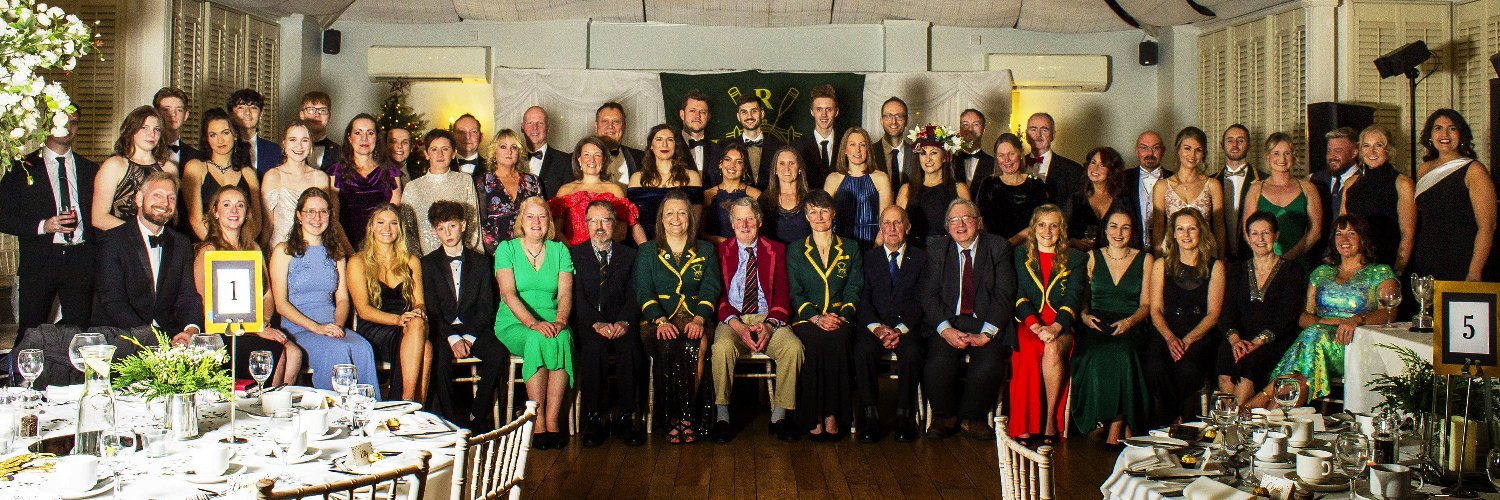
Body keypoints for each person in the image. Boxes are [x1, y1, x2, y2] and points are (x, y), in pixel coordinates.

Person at [1261, 215, 1398, 405]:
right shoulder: (1321, 273)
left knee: (1313, 339)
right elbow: (1303, 316)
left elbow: (1389, 312)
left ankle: (1260, 402)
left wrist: (1356, 320)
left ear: (1363, 238)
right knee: (1310, 348)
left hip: (1354, 343)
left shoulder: (1380, 273)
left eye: (1351, 234)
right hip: (1318, 344)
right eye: (1339, 234)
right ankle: (1274, 413)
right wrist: (1323, 323)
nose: (1344, 239)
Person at [708, 197, 802, 443]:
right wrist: (738, 326)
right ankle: (722, 415)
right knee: (721, 349)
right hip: (733, 319)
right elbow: (716, 295)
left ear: (759, 221)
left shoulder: (777, 250)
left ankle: (780, 416)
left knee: (793, 348)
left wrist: (770, 325)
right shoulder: (719, 252)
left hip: (768, 317)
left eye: (750, 218)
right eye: (739, 219)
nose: (745, 224)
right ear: (732, 223)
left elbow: (783, 294)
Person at [921, 199, 1017, 440]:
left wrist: (986, 333)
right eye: (954, 220)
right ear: (947, 226)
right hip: (948, 321)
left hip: (985, 322)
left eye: (966, 219)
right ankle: (945, 416)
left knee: (989, 365)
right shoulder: (936, 249)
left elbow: (1004, 293)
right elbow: (928, 295)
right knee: (937, 364)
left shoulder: (998, 247)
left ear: (979, 223)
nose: (960, 225)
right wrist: (945, 329)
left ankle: (971, 418)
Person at [190, 185, 303, 386]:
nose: (234, 211)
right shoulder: (208, 251)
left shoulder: (253, 248)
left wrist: (264, 320)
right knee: (275, 352)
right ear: (215, 212)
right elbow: (206, 304)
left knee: (294, 353)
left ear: (247, 213)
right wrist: (255, 328)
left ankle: (277, 412)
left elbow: (267, 296)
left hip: (253, 327)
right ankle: (265, 410)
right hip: (222, 334)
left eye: (240, 205)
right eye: (227, 205)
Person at [633, 190, 722, 444]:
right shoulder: (648, 251)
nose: (676, 218)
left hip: (695, 317)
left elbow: (711, 288)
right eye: (670, 213)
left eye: (682, 213)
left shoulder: (705, 249)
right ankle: (673, 417)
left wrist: (700, 319)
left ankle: (688, 417)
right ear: (661, 219)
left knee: (697, 345)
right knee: (669, 345)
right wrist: (659, 320)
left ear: (690, 218)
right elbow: (643, 290)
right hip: (658, 321)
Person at [270, 187, 379, 390]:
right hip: (298, 329)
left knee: (363, 349)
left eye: (323, 212)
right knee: (336, 352)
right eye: (310, 211)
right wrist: (317, 329)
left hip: (331, 326)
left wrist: (336, 326)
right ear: (298, 216)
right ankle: (332, 415)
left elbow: (343, 300)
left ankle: (365, 415)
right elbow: (281, 305)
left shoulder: (336, 252)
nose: (317, 217)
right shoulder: (283, 251)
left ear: (330, 215)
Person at [0, 110, 97, 333]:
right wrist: (44, 226)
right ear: (46, 125)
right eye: (61, 122)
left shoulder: (90, 169)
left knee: (80, 334)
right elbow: (3, 217)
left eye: (73, 122)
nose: (68, 127)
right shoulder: (22, 168)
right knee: (30, 334)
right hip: (39, 262)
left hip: (81, 261)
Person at [494, 197, 576, 449]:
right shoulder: (506, 249)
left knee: (562, 337)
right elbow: (508, 294)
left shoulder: (560, 250)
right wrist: (533, 324)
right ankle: (536, 420)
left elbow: (564, 293)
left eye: (542, 216)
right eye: (530, 216)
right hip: (515, 321)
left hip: (552, 319)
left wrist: (561, 320)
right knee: (537, 338)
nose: (536, 222)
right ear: (521, 220)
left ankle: (553, 420)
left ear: (549, 221)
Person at [421, 200, 506, 431]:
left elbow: (486, 307)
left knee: (498, 353)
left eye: (452, 226)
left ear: (463, 225)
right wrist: (453, 339)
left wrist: (468, 337)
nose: (447, 233)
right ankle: (449, 422)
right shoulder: (427, 264)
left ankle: (477, 417)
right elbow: (432, 311)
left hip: (472, 327)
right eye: (441, 228)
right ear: (434, 231)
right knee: (439, 360)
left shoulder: (481, 262)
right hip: (443, 329)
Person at [1070, 208, 1153, 448]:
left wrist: (1129, 322)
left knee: (1123, 354)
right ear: (1105, 230)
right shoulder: (1092, 257)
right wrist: (1085, 317)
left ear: (1132, 231)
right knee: (1096, 353)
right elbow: (1083, 301)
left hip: (1131, 323)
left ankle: (1116, 426)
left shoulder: (1145, 259)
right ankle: (1107, 419)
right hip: (1097, 323)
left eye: (1125, 227)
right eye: (1114, 226)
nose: (1119, 232)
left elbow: (1146, 304)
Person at [569, 201, 646, 447]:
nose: (599, 227)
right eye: (593, 221)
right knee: (594, 350)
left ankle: (627, 417)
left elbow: (637, 294)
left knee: (630, 349)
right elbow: (575, 296)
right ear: (586, 224)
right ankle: (593, 418)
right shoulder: (574, 255)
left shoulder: (631, 255)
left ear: (615, 225)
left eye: (605, 221)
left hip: (622, 321)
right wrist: (595, 324)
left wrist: (624, 321)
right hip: (589, 324)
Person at [788, 191, 864, 441]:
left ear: (833, 214)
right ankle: (813, 415)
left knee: (838, 339)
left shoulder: (850, 248)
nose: (819, 216)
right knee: (817, 341)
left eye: (823, 211)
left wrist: (841, 316)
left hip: (840, 318)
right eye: (813, 211)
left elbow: (854, 288)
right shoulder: (796, 249)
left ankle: (833, 414)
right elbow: (795, 292)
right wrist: (816, 318)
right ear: (806, 217)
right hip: (807, 320)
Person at [1009, 204, 1086, 443]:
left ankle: (1050, 420)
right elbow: (1018, 294)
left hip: (1060, 325)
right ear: (1033, 228)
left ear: (1061, 230)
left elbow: (1073, 297)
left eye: (1054, 225)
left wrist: (1055, 327)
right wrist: (1034, 325)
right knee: (1027, 350)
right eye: (1042, 224)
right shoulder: (1019, 255)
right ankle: (1023, 424)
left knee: (1052, 350)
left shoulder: (1076, 258)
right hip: (1028, 323)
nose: (1047, 231)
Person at [93, 172, 201, 342]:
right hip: (120, 338)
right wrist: (152, 339)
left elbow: (187, 296)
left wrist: (190, 331)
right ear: (139, 198)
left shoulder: (182, 243)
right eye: (157, 195)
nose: (164, 203)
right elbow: (113, 302)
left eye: (171, 198)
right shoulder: (112, 241)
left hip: (169, 338)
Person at [853, 205, 928, 443]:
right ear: (880, 228)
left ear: (907, 228)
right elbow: (861, 297)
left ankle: (905, 415)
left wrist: (900, 329)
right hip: (874, 327)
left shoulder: (921, 258)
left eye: (897, 223)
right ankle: (869, 414)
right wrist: (876, 327)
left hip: (906, 328)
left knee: (914, 352)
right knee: (862, 350)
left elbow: (921, 299)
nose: (892, 228)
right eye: (887, 223)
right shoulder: (868, 258)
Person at [1145, 207, 1226, 425]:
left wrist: (1188, 340)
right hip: (1166, 330)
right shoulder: (1161, 264)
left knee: (1188, 369)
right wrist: (1171, 339)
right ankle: (1169, 421)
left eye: (1192, 229)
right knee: (1155, 368)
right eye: (1180, 229)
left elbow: (1213, 314)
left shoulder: (1215, 266)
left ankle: (1186, 422)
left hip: (1200, 332)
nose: (1186, 234)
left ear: (1201, 232)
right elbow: (1155, 310)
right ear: (1173, 233)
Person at [1216, 212, 1306, 406]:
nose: (1260, 239)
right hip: (1239, 337)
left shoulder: (1292, 270)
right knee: (1226, 360)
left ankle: (1236, 423)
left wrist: (1258, 341)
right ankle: (1226, 425)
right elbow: (1226, 312)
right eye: (1254, 234)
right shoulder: (1236, 270)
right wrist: (1235, 340)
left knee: (1249, 363)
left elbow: (1288, 315)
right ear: (1247, 237)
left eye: (1265, 233)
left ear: (1276, 235)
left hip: (1273, 339)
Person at [349, 204, 433, 402]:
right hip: (375, 326)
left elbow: (419, 303)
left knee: (421, 333)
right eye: (381, 223)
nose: (387, 229)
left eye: (393, 223)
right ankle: (410, 403)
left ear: (400, 229)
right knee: (426, 347)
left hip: (408, 325)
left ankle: (407, 404)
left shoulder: (411, 261)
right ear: (371, 228)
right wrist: (399, 320)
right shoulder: (357, 261)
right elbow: (363, 310)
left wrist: (418, 313)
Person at [1412, 109, 1495, 282]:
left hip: (1462, 260)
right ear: (1430, 135)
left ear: (1461, 134)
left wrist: (1474, 272)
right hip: (1426, 259)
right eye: (1438, 128)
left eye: (1452, 128)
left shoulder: (1474, 170)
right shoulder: (1424, 169)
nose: (1445, 134)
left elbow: (1487, 226)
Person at [1242, 133, 1323, 270]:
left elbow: (1315, 231)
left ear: (1293, 156)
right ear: (1268, 156)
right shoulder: (1256, 189)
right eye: (1276, 153)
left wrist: (1287, 259)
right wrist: (1266, 257)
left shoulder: (1308, 188)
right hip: (1264, 265)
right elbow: (1247, 230)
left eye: (1287, 153)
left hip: (1299, 264)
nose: (1282, 158)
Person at [1343, 125, 1416, 272]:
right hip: (1355, 265)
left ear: (1389, 150)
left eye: (1379, 145)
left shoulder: (1402, 183)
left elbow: (1408, 234)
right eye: (1366, 146)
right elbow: (1342, 229)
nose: (1372, 151)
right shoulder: (1350, 183)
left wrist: (1397, 271)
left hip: (1387, 262)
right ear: (1360, 150)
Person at [92, 105, 177, 231]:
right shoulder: (114, 165)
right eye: (144, 128)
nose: (151, 134)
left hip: (160, 243)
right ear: (131, 130)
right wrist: (140, 235)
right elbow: (99, 218)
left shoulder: (169, 169)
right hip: (122, 244)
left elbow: (173, 216)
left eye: (157, 129)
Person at [182, 108, 261, 241]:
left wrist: (240, 248)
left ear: (235, 135)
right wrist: (220, 250)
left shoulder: (248, 173)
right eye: (213, 135)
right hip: (206, 246)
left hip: (242, 249)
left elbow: (257, 222)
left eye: (225, 133)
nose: (220, 140)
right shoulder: (196, 168)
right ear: (207, 139)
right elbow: (195, 220)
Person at [549, 136, 645, 246]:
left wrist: (600, 251)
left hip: (606, 256)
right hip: (572, 255)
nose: (592, 160)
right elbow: (556, 231)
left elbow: (621, 231)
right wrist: (574, 253)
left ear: (604, 160)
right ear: (579, 159)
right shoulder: (565, 190)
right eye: (587, 155)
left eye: (597, 155)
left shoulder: (614, 190)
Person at [328, 113, 402, 246]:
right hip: (345, 246)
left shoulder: (391, 172)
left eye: (370, 133)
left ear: (377, 138)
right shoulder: (336, 172)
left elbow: (394, 220)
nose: (364, 138)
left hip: (383, 247)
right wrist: (350, 254)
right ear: (349, 138)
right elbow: (333, 219)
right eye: (358, 133)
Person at [403, 129, 482, 254]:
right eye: (434, 149)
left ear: (454, 153)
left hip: (461, 257)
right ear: (426, 154)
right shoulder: (413, 187)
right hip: (426, 260)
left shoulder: (464, 181)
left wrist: (472, 257)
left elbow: (473, 222)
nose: (440, 154)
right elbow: (408, 230)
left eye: (445, 149)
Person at [1151, 127, 1226, 254]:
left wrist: (1221, 258)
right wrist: (1158, 259)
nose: (1192, 155)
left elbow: (1219, 226)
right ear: (1178, 150)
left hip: (1206, 253)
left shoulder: (1213, 185)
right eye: (1187, 148)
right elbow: (1158, 227)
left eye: (1198, 150)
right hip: (1172, 254)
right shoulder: (1162, 186)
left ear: (1203, 154)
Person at [261, 120, 332, 248]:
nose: (299, 146)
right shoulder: (273, 176)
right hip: (281, 251)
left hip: (313, 248)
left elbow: (327, 221)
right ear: (284, 143)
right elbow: (267, 225)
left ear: (311, 144)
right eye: (293, 140)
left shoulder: (320, 178)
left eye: (304, 140)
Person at [898, 125, 971, 246]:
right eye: (923, 154)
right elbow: (898, 228)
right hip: (916, 254)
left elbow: (969, 228)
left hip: (949, 254)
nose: (928, 159)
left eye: (933, 153)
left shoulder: (959, 189)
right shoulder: (906, 190)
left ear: (944, 157)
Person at [628, 124, 704, 237]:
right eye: (659, 139)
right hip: (645, 245)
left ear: (676, 146)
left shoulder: (692, 177)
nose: (664, 144)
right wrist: (645, 249)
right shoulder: (637, 178)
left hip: (683, 244)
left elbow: (695, 221)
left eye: (670, 140)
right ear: (651, 146)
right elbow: (633, 221)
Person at [477, 129, 543, 253]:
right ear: (494, 152)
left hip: (529, 251)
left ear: (519, 152)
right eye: (503, 147)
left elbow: (542, 218)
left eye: (514, 147)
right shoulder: (483, 182)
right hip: (495, 253)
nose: (509, 151)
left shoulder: (532, 181)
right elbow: (478, 223)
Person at [824, 127, 892, 248]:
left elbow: (886, 222)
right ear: (845, 149)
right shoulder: (833, 179)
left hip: (873, 244)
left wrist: (875, 249)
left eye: (862, 145)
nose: (858, 150)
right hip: (840, 247)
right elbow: (825, 219)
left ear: (868, 149)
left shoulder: (881, 178)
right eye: (852, 145)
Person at [974, 133, 1045, 247]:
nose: (1007, 160)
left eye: (1011, 154)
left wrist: (1009, 243)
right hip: (994, 248)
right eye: (1001, 155)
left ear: (1020, 154)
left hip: (1028, 248)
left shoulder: (1035, 183)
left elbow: (1041, 220)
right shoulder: (988, 183)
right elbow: (979, 218)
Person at [1309, 128, 1359, 262]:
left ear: (1354, 152)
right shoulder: (1314, 179)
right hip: (1316, 259)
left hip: (1349, 259)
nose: (1331, 156)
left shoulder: (1363, 182)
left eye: (1338, 151)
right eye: (1329, 151)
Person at [1216, 124, 1265, 260]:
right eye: (1230, 140)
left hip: (1253, 257)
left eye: (1241, 140)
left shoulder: (1264, 181)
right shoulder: (1211, 181)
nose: (1235, 145)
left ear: (1249, 145)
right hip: (1218, 258)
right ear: (1222, 144)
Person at [1067, 147, 1126, 250]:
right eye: (1093, 162)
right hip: (1082, 260)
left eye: (1102, 165)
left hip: (1113, 260)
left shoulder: (1122, 200)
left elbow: (1131, 235)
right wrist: (1074, 242)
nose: (1095, 168)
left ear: (1112, 170)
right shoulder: (1076, 199)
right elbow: (1060, 232)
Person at [720, 95, 784, 190]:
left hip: (771, 203)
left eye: (754, 111)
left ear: (762, 114)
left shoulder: (780, 147)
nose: (749, 116)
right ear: (738, 116)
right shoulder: (724, 147)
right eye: (744, 112)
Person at [700, 144, 761, 243]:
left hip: (746, 251)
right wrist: (721, 242)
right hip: (715, 251)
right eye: (728, 160)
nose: (732, 165)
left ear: (744, 167)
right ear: (720, 163)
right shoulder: (708, 195)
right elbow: (699, 232)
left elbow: (763, 230)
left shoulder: (755, 195)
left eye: (739, 162)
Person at [1024, 113, 1085, 208]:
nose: (1038, 134)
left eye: (1044, 130)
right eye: (1033, 129)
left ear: (1053, 135)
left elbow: (1077, 210)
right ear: (1026, 135)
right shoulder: (1015, 166)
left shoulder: (1073, 170)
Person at [1124, 131, 1171, 250]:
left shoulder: (1175, 180)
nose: (1150, 153)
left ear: (1163, 151)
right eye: (1144, 148)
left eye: (1155, 148)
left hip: (1169, 252)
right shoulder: (1122, 179)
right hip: (1131, 252)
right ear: (1136, 151)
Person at [760, 147, 814, 245]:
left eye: (791, 163)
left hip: (805, 257)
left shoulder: (813, 198)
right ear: (775, 169)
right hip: (774, 256)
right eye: (782, 163)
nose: (787, 168)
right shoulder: (764, 200)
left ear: (800, 168)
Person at [792, 84, 841, 185]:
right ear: (812, 112)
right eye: (819, 109)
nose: (824, 114)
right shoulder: (797, 146)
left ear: (836, 112)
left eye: (828, 109)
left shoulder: (846, 144)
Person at [228, 89, 284, 175]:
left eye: (253, 107)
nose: (247, 112)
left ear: (261, 114)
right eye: (241, 107)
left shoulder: (274, 151)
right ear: (232, 113)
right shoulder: (224, 147)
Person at [522, 106, 573, 198]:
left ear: (548, 128)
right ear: (522, 127)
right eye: (530, 123)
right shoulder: (511, 159)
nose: (535, 128)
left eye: (540, 123)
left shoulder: (565, 161)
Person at [871, 97, 914, 193]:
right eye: (888, 116)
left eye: (899, 116)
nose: (894, 122)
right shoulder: (869, 152)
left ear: (906, 120)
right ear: (881, 120)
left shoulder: (916, 153)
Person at [678, 91, 723, 182]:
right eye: (692, 111)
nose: (697, 116)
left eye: (702, 112)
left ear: (708, 117)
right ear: (682, 114)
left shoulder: (718, 150)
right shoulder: (670, 146)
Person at [596, 102, 644, 184]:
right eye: (605, 121)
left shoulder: (642, 158)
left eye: (616, 122)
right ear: (596, 126)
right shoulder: (576, 159)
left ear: (624, 126)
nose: (610, 126)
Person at [153, 87, 198, 165]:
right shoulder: (146, 151)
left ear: (186, 115)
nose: (173, 114)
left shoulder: (196, 156)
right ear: (156, 113)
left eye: (179, 110)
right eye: (166, 109)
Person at [297, 91, 338, 172]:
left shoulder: (340, 153)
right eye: (311, 110)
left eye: (323, 110)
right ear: (301, 115)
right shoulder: (289, 150)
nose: (317, 115)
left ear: (329, 116)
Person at [954, 109, 996, 184]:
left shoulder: (993, 163)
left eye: (975, 124)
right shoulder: (950, 161)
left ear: (983, 130)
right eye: (965, 124)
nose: (970, 129)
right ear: (960, 129)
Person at [451, 114, 487, 179]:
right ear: (453, 136)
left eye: (473, 132)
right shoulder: (443, 166)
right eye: (462, 132)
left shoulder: (492, 168)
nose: (467, 137)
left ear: (481, 137)